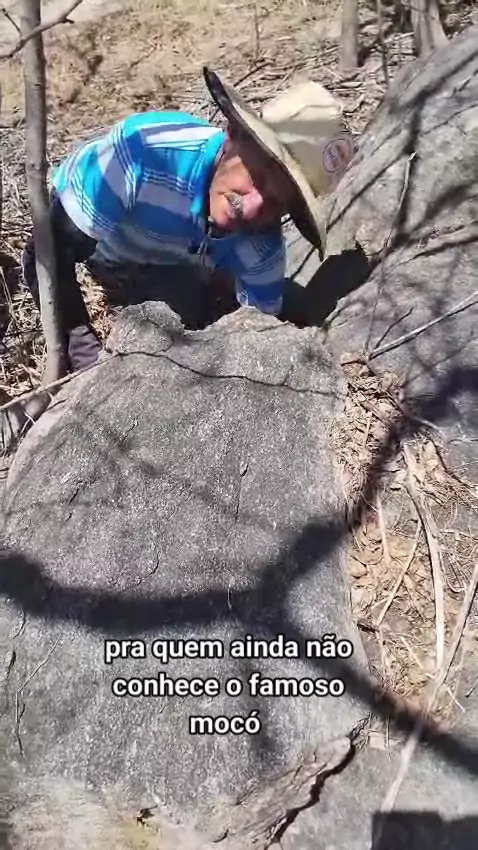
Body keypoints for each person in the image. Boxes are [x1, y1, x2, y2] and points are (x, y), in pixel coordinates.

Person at [22, 67, 354, 372]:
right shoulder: (141, 155)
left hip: (169, 262)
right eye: (260, 177)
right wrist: (82, 351)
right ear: (234, 133)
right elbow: (45, 253)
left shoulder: (262, 245)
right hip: (102, 239)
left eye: (277, 203)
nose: (253, 208)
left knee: (187, 308)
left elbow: (260, 334)